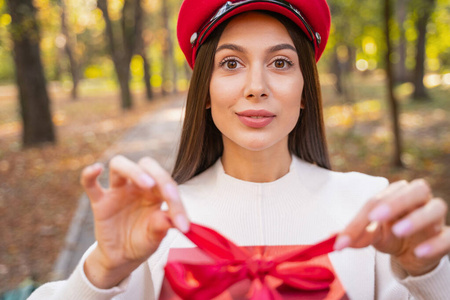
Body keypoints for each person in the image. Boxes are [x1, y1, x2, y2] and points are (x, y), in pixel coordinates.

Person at [29, 0, 450, 299]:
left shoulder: (370, 210)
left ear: (306, 91)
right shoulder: (151, 221)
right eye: (231, 63)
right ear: (206, 93)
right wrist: (102, 270)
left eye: (281, 63)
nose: (256, 87)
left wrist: (428, 273)